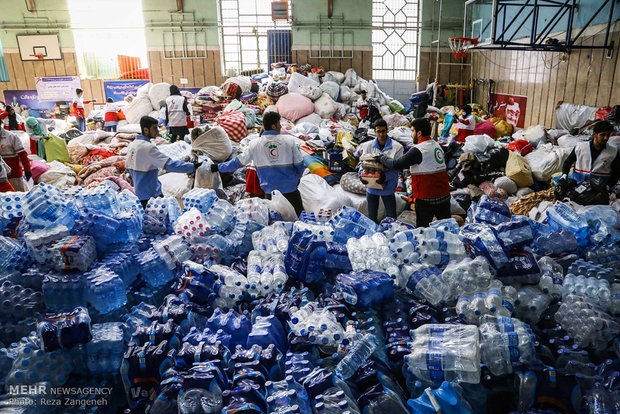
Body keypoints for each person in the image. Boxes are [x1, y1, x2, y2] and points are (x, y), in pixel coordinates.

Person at [210, 111, 305, 215]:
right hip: (291, 191)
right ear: (274, 126)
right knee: (299, 220)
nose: (280, 127)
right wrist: (295, 179)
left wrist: (217, 167)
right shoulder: (289, 142)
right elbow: (300, 165)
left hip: (270, 194)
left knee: (276, 223)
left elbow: (237, 163)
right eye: (279, 124)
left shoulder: (254, 144)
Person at [379, 118, 451, 228]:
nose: (411, 135)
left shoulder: (419, 149)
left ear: (419, 133)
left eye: (412, 131)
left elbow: (396, 164)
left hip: (426, 198)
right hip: (444, 196)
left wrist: (382, 158)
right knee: (446, 227)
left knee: (423, 229)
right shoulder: (436, 146)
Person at [125, 116, 200, 208]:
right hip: (152, 195)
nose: (157, 131)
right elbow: (170, 165)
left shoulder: (133, 144)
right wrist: (192, 166)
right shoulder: (148, 148)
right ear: (146, 130)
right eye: (154, 128)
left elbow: (127, 168)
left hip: (139, 193)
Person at [355, 119, 404, 223]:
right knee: (371, 217)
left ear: (387, 130)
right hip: (371, 185)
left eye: (383, 131)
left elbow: (397, 168)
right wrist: (361, 175)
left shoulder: (397, 147)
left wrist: (384, 177)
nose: (381, 134)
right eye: (379, 131)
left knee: (391, 216)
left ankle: (391, 233)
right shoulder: (367, 145)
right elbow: (361, 163)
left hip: (388, 187)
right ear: (374, 132)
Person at [561, 120, 620, 190]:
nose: (606, 138)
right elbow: (568, 162)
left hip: (599, 190)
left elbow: (617, 172)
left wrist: (608, 186)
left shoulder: (613, 151)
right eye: (603, 135)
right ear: (595, 134)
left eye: (608, 135)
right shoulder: (580, 147)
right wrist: (564, 175)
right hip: (578, 186)